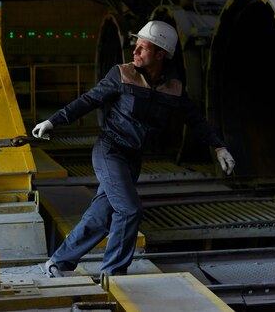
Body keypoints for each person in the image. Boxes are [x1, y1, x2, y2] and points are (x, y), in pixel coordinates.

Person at [33, 20, 235, 277]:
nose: (135, 52)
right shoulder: (122, 74)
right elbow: (89, 100)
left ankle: (58, 262)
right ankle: (113, 275)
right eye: (136, 46)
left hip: (132, 159)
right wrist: (53, 121)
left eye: (143, 47)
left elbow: (194, 118)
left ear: (160, 54)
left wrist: (219, 147)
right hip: (110, 150)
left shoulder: (173, 88)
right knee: (129, 210)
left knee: (102, 216)